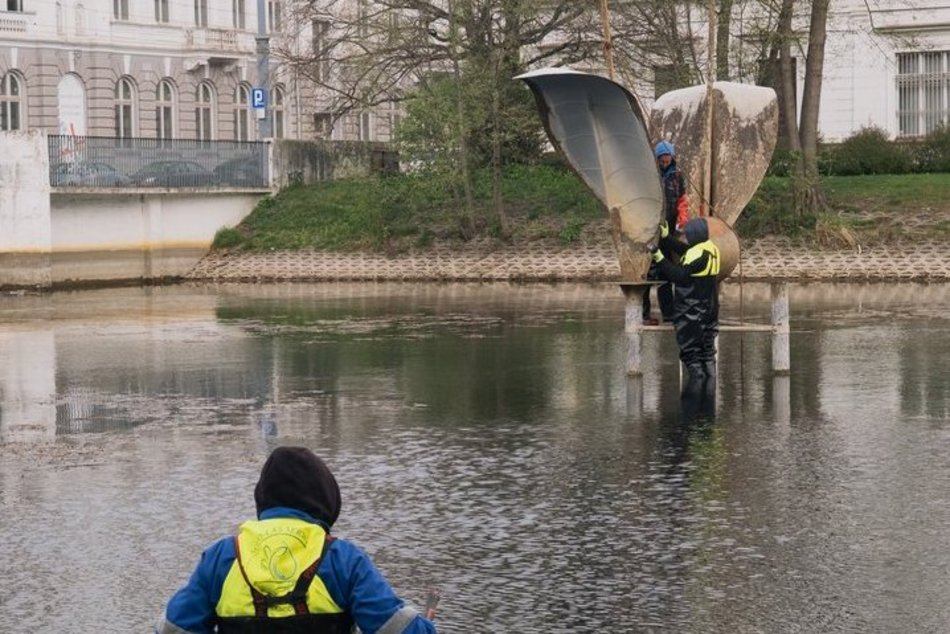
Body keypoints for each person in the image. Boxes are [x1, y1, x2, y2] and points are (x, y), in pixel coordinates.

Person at [156, 446, 438, 634]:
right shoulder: (342, 559)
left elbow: (172, 629)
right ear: (326, 501)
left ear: (262, 498)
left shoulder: (222, 557)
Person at [650, 216, 720, 382]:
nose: (686, 237)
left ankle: (696, 391)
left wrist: (658, 257)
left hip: (691, 310)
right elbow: (685, 250)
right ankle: (709, 389)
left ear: (695, 235)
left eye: (688, 234)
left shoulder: (697, 255)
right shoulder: (709, 248)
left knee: (691, 352)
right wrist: (667, 238)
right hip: (709, 308)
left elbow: (678, 276)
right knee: (707, 350)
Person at [643, 140, 690, 325]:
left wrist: (681, 221)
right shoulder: (650, 175)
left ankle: (669, 314)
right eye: (661, 159)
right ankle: (644, 315)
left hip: (668, 229)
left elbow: (682, 201)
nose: (664, 161)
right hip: (649, 228)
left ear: (671, 157)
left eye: (667, 158)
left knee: (666, 271)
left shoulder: (677, 176)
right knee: (646, 272)